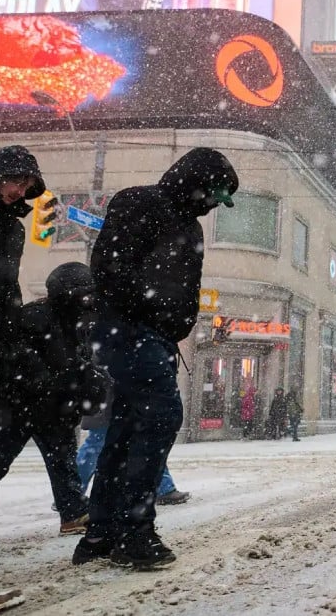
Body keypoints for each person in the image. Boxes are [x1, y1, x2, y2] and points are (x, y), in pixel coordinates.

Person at [73, 147, 238, 570]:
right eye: (214, 194)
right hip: (128, 329)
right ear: (195, 181)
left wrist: (177, 324)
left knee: (126, 430)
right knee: (162, 416)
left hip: (156, 337)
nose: (212, 205)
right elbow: (109, 267)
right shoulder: (139, 202)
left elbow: (186, 286)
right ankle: (134, 530)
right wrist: (155, 313)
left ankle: (101, 532)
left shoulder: (191, 228)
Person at [0, 262, 105, 537]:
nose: (87, 300)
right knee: (0, 458)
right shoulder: (33, 317)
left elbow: (78, 363)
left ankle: (73, 513)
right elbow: (20, 361)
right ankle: (73, 512)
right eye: (83, 294)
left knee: (63, 461)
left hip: (54, 408)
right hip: (22, 406)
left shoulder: (78, 321)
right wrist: (47, 382)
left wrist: (86, 384)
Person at [0, 145, 47, 555]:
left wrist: (14, 337)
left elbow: (6, 287)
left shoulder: (13, 228)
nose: (20, 191)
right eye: (16, 181)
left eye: (27, 186)